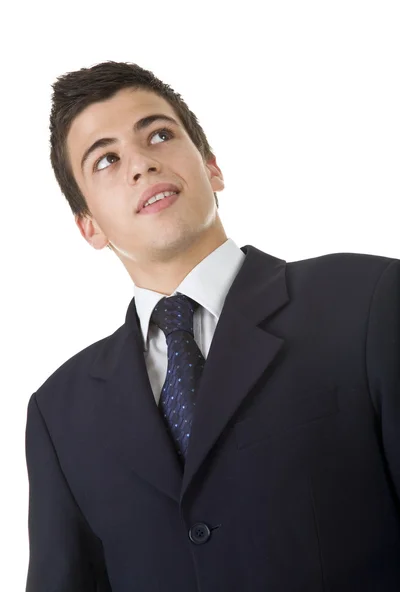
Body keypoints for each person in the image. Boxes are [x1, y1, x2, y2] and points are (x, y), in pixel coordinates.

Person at [25, 60, 400, 592]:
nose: (141, 165)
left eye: (158, 134)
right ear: (88, 226)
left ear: (212, 167)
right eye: (106, 159)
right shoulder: (58, 413)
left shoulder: (368, 302)